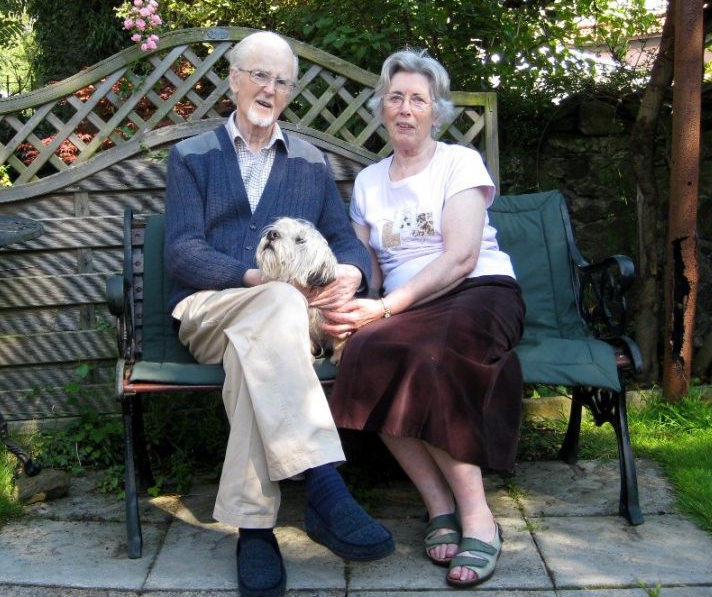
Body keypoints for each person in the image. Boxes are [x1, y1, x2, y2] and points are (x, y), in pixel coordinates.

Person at [163, 31, 395, 597]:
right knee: (278, 300)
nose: (269, 89)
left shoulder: (311, 164)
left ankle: (255, 532)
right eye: (259, 75)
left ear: (290, 92)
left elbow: (345, 241)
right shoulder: (192, 156)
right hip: (209, 312)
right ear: (234, 79)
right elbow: (182, 250)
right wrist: (257, 280)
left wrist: (351, 274)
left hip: (276, 330)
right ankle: (323, 483)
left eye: (281, 81)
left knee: (258, 351)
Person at [323, 49, 525, 589]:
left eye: (418, 99)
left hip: (479, 291)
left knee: (430, 358)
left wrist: (386, 306)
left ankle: (478, 516)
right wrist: (341, 299)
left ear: (437, 111)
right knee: (365, 354)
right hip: (408, 306)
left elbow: (460, 257)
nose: (406, 109)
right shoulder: (368, 181)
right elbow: (361, 261)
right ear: (381, 110)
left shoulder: (459, 163)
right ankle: (438, 505)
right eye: (395, 98)